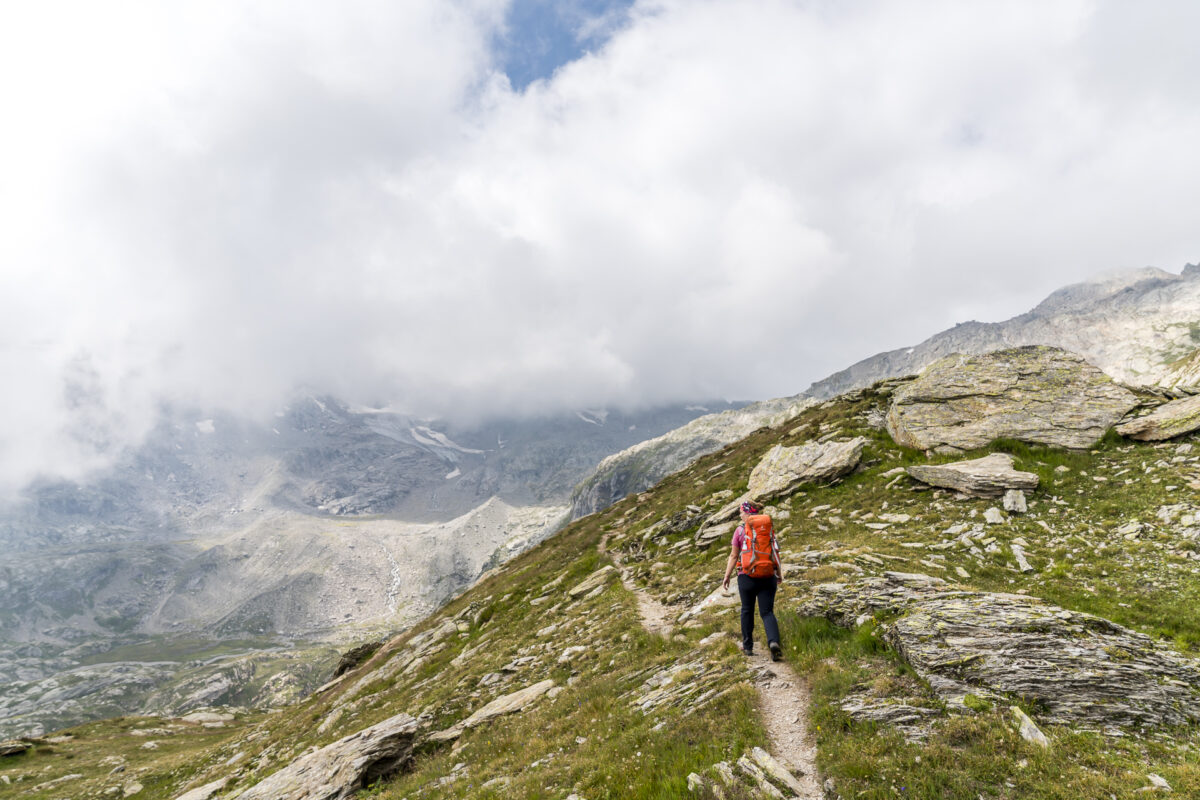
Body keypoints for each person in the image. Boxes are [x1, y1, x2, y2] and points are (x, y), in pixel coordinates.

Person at [722, 500, 784, 661]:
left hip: (746, 576)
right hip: (767, 576)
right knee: (767, 612)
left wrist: (727, 575)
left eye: (741, 512)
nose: (740, 515)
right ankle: (773, 642)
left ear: (747, 513)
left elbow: (734, 555)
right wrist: (779, 573)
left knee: (747, 610)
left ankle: (748, 646)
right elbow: (775, 552)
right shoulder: (767, 529)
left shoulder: (740, 530)